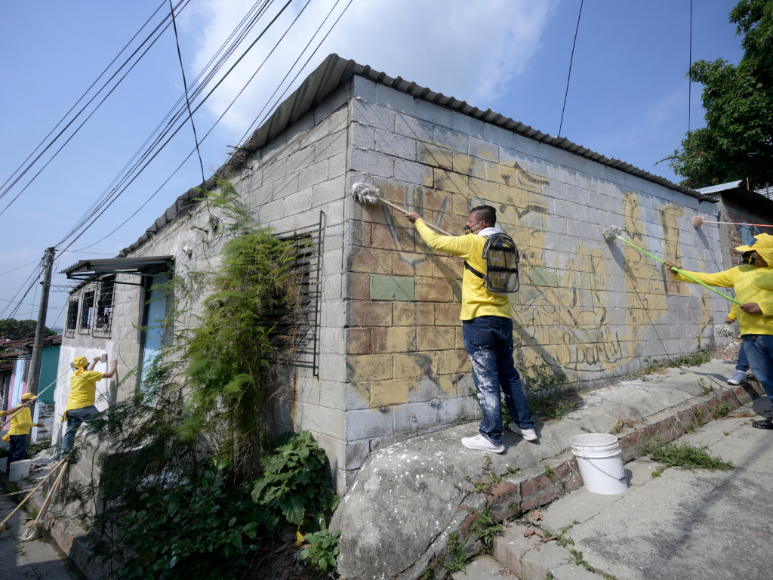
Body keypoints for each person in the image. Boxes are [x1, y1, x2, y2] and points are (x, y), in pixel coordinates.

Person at [404, 205, 537, 453]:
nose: (467, 225)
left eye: (470, 222)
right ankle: (526, 426)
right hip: (503, 319)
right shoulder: (507, 245)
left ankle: (492, 436)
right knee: (509, 375)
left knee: (487, 379)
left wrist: (418, 220)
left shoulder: (474, 242)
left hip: (479, 320)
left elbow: (435, 240)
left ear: (482, 223)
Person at [665, 233, 773, 429]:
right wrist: (680, 273)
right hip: (752, 336)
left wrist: (763, 307)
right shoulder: (740, 271)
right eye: (747, 253)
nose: (748, 256)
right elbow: (710, 279)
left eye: (753, 253)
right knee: (766, 378)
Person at [62, 355, 117, 452]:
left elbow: (88, 373)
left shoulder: (74, 375)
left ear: (75, 367)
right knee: (99, 422)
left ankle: (65, 453)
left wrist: (95, 362)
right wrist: (114, 364)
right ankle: (86, 438)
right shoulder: (89, 375)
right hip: (84, 407)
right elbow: (110, 375)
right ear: (87, 364)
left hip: (71, 409)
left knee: (70, 432)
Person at [1, 393, 42, 472]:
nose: (33, 401)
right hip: (18, 434)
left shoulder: (25, 408)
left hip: (18, 433)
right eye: (31, 400)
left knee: (13, 452)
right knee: (18, 453)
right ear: (26, 400)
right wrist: (37, 424)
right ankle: (13, 472)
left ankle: (9, 471)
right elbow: (22, 423)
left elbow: (8, 413)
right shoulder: (21, 409)